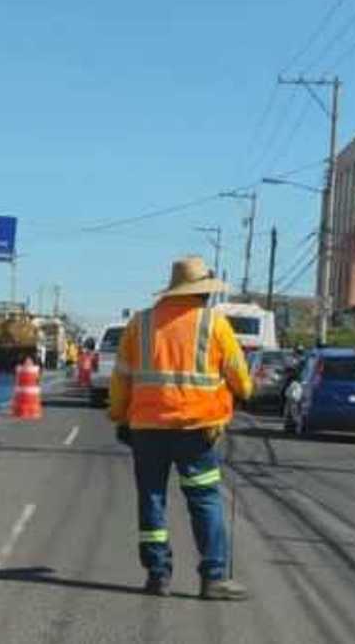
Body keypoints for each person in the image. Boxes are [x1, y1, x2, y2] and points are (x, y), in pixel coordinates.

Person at [109, 256, 253, 600]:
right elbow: (239, 377)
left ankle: (158, 575)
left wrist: (119, 416)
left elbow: (121, 379)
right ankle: (213, 578)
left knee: (152, 498)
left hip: (147, 430)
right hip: (196, 431)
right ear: (203, 292)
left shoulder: (139, 325)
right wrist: (243, 393)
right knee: (204, 500)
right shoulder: (214, 325)